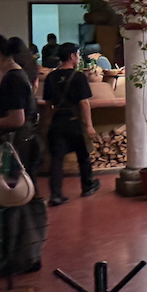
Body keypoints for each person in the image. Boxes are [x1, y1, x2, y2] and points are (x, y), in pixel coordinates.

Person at [0, 33, 46, 274]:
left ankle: (21, 257)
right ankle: (20, 256)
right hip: (21, 143)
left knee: (15, 200)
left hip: (18, 146)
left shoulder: (14, 78)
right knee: (16, 200)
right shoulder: (13, 75)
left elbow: (16, 119)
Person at [42, 43, 100, 206]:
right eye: (77, 55)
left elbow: (47, 104)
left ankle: (56, 194)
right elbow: (84, 103)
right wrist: (89, 125)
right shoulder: (78, 77)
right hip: (75, 122)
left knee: (57, 159)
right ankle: (87, 186)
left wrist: (47, 123)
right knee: (83, 155)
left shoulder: (51, 77)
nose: (78, 58)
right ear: (72, 56)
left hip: (57, 122)